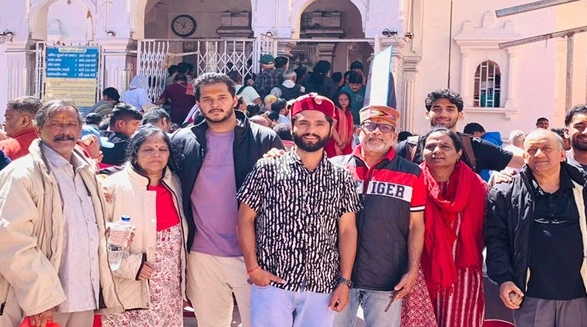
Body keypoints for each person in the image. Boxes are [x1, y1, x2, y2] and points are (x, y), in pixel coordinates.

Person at [0, 100, 122, 327]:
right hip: (39, 306)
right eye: (56, 124)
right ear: (38, 129)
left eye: (70, 124)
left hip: (81, 299)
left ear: (79, 129)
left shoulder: (86, 172)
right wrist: (41, 298)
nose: (65, 130)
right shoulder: (20, 175)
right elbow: (9, 241)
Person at [237, 93, 361, 327]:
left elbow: (347, 231)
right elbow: (245, 219)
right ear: (292, 125)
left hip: (322, 286)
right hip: (272, 284)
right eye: (303, 122)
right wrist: (253, 268)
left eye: (319, 123)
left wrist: (344, 281)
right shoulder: (267, 168)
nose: (311, 129)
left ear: (330, 127)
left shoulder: (341, 177)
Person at [171, 72, 283, 327]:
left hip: (253, 256)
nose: (215, 103)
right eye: (207, 99)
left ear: (234, 100)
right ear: (198, 104)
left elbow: (283, 195)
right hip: (201, 256)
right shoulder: (183, 141)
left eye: (222, 97)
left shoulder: (263, 139)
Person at [485, 129, 587, 327]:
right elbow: (496, 239)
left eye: (546, 148)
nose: (539, 154)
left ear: (562, 154)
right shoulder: (505, 193)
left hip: (580, 295)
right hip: (529, 296)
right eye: (532, 150)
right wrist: (504, 279)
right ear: (524, 156)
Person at [332, 105, 424, 327]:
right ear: (358, 132)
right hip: (337, 274)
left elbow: (416, 226)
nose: (376, 132)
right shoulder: (335, 168)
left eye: (385, 127)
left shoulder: (411, 173)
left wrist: (412, 270)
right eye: (370, 126)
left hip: (387, 276)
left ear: (393, 136)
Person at [102, 128, 187, 327]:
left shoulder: (175, 183)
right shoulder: (113, 186)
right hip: (130, 283)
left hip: (169, 287)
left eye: (162, 149)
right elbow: (96, 236)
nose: (156, 154)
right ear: (135, 153)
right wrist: (130, 267)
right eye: (147, 149)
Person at [406, 129, 488, 327]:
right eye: (431, 146)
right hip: (419, 271)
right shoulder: (410, 182)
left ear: (459, 153)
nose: (437, 151)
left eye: (445, 146)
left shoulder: (479, 188)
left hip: (463, 274)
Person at [400, 89, 524, 173]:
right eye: (437, 109)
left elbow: (523, 161)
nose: (443, 114)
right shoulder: (410, 148)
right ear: (427, 114)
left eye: (450, 109)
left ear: (460, 115)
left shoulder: (473, 147)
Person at [0, 96, 43, 161]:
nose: (3, 123)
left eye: (7, 118)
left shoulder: (4, 148)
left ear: (24, 121)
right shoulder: (55, 147)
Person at [326, 90, 354, 158]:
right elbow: (332, 128)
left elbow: (351, 129)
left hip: (346, 144)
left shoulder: (348, 112)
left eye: (345, 99)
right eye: (340, 100)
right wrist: (340, 143)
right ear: (337, 100)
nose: (343, 102)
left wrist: (346, 142)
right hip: (334, 143)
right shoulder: (335, 111)